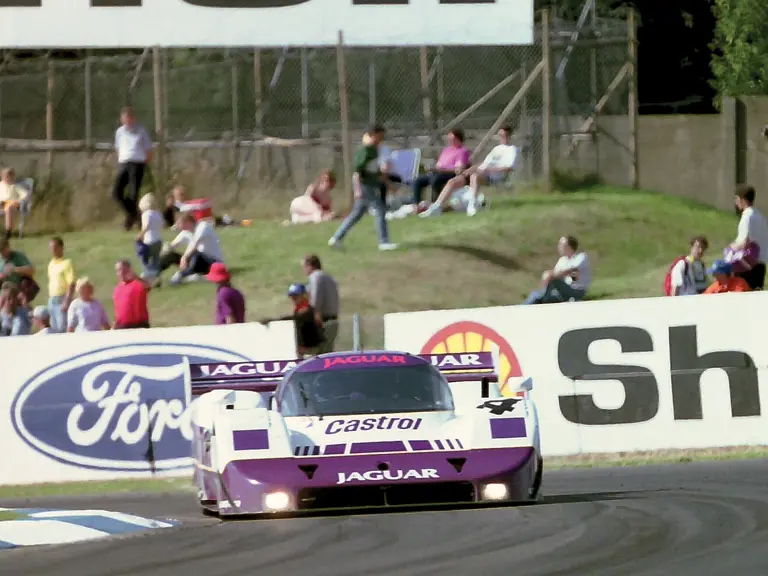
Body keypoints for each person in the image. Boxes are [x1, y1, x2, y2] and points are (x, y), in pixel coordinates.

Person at [421, 126, 518, 218]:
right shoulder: (497, 148)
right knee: (453, 181)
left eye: (503, 135)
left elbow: (508, 168)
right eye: (500, 135)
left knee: (474, 176)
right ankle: (436, 207)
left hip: (494, 176)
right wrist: (472, 168)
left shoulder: (512, 150)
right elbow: (484, 164)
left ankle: (472, 205)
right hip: (481, 173)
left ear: (509, 136)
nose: (501, 138)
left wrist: (485, 169)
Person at [328, 125, 397, 251]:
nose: (382, 139)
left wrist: (389, 185)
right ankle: (384, 242)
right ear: (372, 134)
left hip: (370, 185)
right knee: (380, 209)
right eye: (380, 136)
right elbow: (357, 172)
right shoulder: (366, 151)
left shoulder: (375, 150)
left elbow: (376, 172)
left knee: (356, 214)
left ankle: (336, 238)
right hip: (365, 186)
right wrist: (358, 189)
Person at [112, 106, 153, 231]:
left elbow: (149, 150)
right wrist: (121, 159)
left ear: (133, 118)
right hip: (124, 163)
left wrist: (144, 163)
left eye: (130, 118)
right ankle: (135, 215)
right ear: (122, 119)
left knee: (133, 194)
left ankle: (129, 222)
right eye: (125, 118)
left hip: (137, 163)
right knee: (116, 192)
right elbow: (118, 148)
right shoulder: (119, 132)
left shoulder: (141, 131)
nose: (127, 120)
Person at [411, 129, 470, 212]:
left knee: (435, 180)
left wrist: (441, 170)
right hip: (438, 173)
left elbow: (458, 169)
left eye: (452, 139)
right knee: (417, 180)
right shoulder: (446, 150)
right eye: (449, 139)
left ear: (459, 139)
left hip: (450, 174)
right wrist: (432, 168)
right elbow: (439, 165)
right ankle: (416, 206)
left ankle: (437, 205)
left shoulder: (462, 151)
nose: (450, 141)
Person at [260, 283, 324, 357]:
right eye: (292, 296)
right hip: (305, 348)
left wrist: (273, 320)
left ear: (304, 295)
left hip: (312, 350)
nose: (293, 298)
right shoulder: (299, 309)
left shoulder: (307, 310)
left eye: (296, 296)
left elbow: (295, 318)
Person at [523, 236, 592, 305]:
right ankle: (523, 308)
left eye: (561, 245)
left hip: (576, 291)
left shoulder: (581, 257)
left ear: (569, 247)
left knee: (552, 280)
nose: (559, 247)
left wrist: (549, 275)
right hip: (562, 292)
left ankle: (544, 298)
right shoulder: (562, 260)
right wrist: (549, 275)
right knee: (535, 295)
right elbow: (554, 274)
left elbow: (571, 270)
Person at [161, 213, 224, 285]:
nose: (177, 225)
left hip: (213, 263)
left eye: (179, 223)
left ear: (187, 222)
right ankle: (153, 273)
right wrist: (166, 247)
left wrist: (184, 258)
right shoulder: (185, 232)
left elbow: (195, 245)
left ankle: (180, 275)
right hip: (197, 262)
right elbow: (173, 245)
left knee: (195, 253)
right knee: (172, 255)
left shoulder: (203, 227)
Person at [730, 184, 768, 290]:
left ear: (741, 199)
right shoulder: (761, 217)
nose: (735, 202)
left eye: (736, 199)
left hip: (746, 265)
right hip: (760, 265)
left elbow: (744, 242)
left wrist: (731, 248)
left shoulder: (746, 216)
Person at [302, 253, 339, 353]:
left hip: (322, 321)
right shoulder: (329, 277)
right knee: (329, 351)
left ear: (310, 265)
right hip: (334, 319)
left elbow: (316, 298)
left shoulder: (315, 277)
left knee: (319, 354)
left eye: (304, 267)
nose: (304, 270)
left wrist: (315, 314)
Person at [47, 236, 75, 333]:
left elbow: (71, 283)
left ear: (61, 247)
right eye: (51, 248)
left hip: (61, 299)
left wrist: (66, 301)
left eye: (55, 247)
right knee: (54, 328)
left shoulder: (67, 263)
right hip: (52, 299)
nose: (53, 250)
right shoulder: (51, 264)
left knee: (62, 327)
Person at [113, 260, 151, 329]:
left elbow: (148, 286)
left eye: (123, 270)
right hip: (121, 327)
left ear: (129, 270)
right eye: (118, 270)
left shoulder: (137, 284)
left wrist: (136, 277)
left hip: (138, 326)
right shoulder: (117, 289)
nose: (121, 273)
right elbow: (118, 311)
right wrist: (114, 326)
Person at [136, 193, 164, 283]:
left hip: (149, 241)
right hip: (159, 241)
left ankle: (147, 274)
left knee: (144, 259)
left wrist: (140, 235)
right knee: (156, 260)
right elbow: (162, 225)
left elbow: (146, 226)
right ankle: (157, 278)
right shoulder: (158, 214)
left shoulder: (146, 214)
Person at [0, 237, 36, 304]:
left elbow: (32, 270)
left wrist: (14, 269)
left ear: (8, 246)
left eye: (2, 249)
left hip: (20, 292)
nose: (1, 253)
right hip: (4, 294)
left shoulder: (18, 256)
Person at [0, 167, 30, 239]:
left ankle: (8, 232)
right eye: (5, 176)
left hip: (12, 204)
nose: (7, 178)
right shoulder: (0, 185)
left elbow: (25, 195)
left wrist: (17, 201)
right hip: (2, 203)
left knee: (9, 209)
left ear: (12, 177)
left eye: (9, 176)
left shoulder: (16, 186)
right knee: (5, 205)